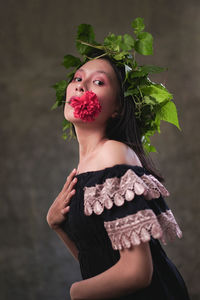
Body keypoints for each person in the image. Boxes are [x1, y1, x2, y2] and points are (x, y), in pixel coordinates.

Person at [46, 56, 190, 299]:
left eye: (98, 82)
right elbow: (98, 258)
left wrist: (76, 291)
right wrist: (57, 225)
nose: (81, 86)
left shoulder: (112, 153)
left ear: (118, 108)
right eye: (78, 78)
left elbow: (138, 272)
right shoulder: (88, 166)